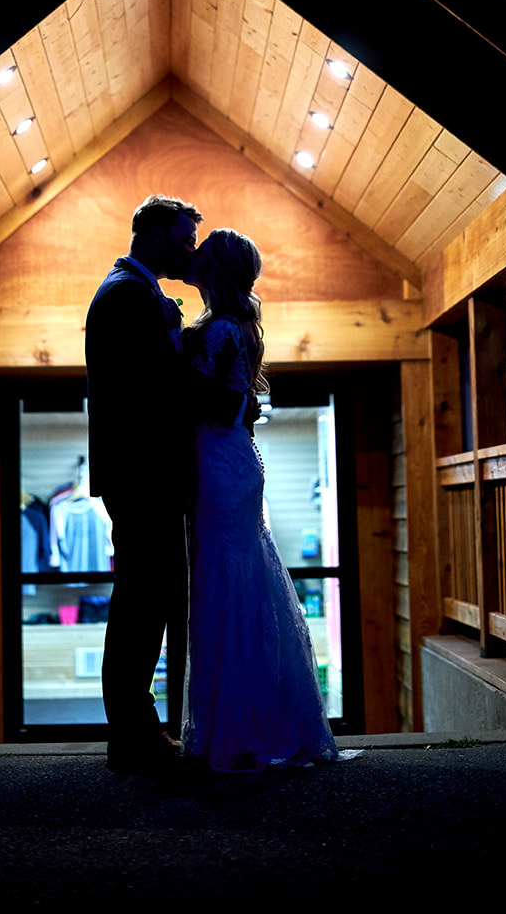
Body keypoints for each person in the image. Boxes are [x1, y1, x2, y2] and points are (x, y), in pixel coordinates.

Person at [85, 194, 260, 775]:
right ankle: (133, 735)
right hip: (141, 471)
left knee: (148, 598)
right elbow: (157, 386)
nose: (189, 250)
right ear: (155, 233)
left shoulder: (133, 291)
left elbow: (165, 379)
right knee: (141, 601)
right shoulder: (126, 295)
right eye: (184, 238)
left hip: (150, 469)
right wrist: (233, 397)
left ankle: (137, 730)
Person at [179, 228, 352, 772]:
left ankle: (237, 729)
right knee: (236, 584)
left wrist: (174, 367)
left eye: (201, 254)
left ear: (217, 270)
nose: (193, 257)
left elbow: (227, 403)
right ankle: (244, 721)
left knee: (226, 588)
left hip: (220, 465)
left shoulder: (224, 330)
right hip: (229, 460)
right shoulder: (227, 328)